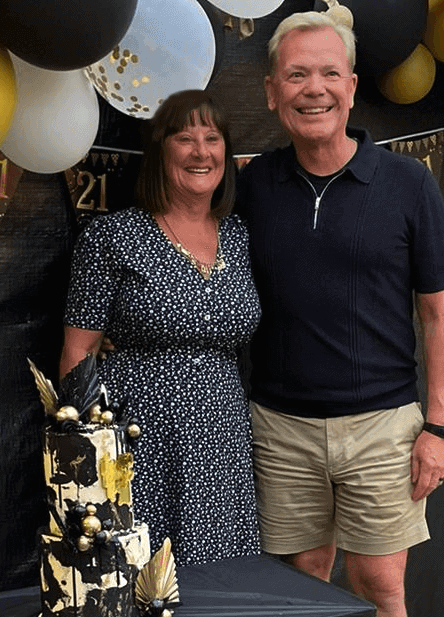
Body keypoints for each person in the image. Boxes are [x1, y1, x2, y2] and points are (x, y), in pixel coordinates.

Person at [235, 11, 444, 617]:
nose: (313, 89)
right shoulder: (254, 184)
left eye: (328, 74)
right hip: (281, 424)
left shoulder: (406, 185)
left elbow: (440, 314)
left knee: (380, 585)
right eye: (296, 75)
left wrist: (439, 428)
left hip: (384, 425)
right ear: (271, 91)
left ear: (353, 87)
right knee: (304, 587)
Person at [59, 89, 262, 567]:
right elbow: (77, 353)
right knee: (140, 577)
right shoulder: (112, 237)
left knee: (221, 580)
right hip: (140, 437)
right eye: (185, 138)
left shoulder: (238, 235)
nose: (200, 151)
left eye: (213, 139)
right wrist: (87, 458)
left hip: (222, 435)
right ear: (160, 151)